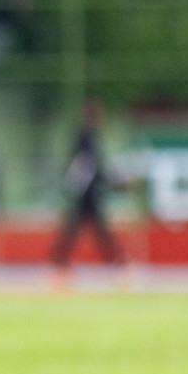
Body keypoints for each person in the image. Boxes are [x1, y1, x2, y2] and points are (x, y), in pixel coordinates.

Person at [51, 99, 124, 266]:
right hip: (86, 190)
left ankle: (59, 257)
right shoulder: (87, 136)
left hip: (83, 189)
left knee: (84, 226)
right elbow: (93, 163)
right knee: (95, 227)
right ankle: (115, 259)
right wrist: (110, 180)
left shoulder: (84, 135)